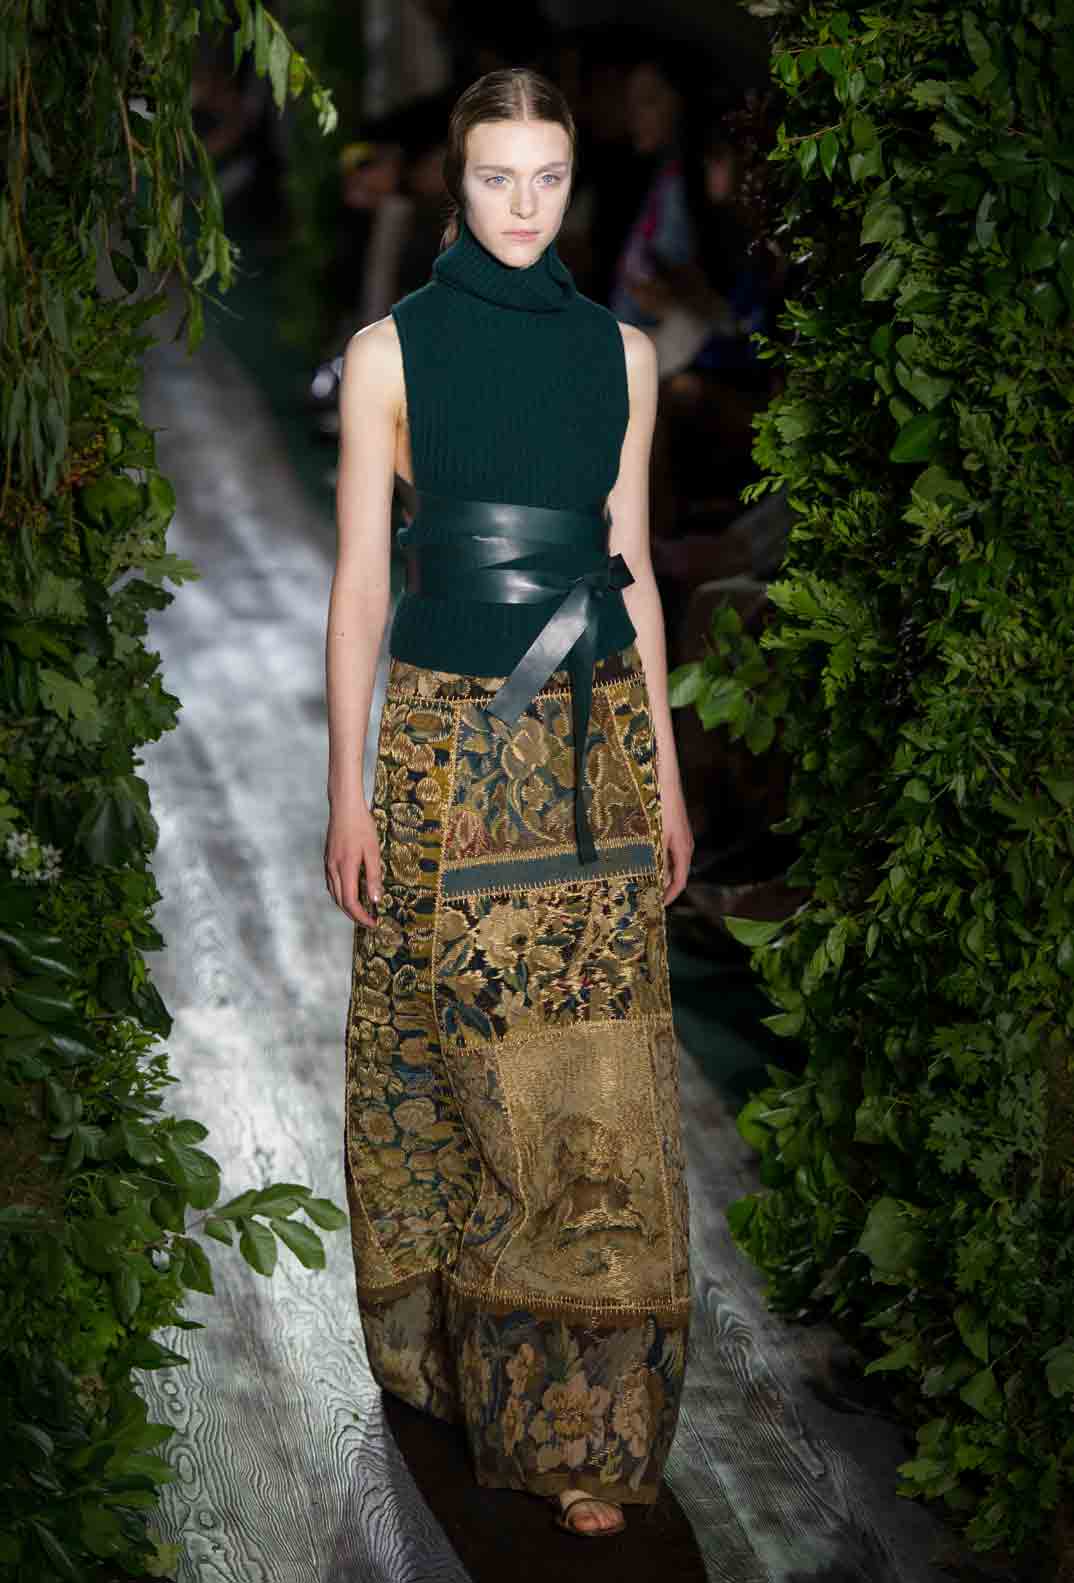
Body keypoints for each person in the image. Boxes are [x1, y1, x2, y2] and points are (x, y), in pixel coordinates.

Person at [323, 67, 693, 1541]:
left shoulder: (624, 357)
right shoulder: (388, 354)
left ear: (572, 180)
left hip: (594, 748)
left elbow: (632, 569)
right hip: (438, 742)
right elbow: (361, 583)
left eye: (548, 176)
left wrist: (666, 777)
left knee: (590, 1076)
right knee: (432, 1052)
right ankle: (450, 1358)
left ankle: (578, 1426)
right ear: (456, 181)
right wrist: (345, 790)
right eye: (497, 176)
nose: (525, 204)